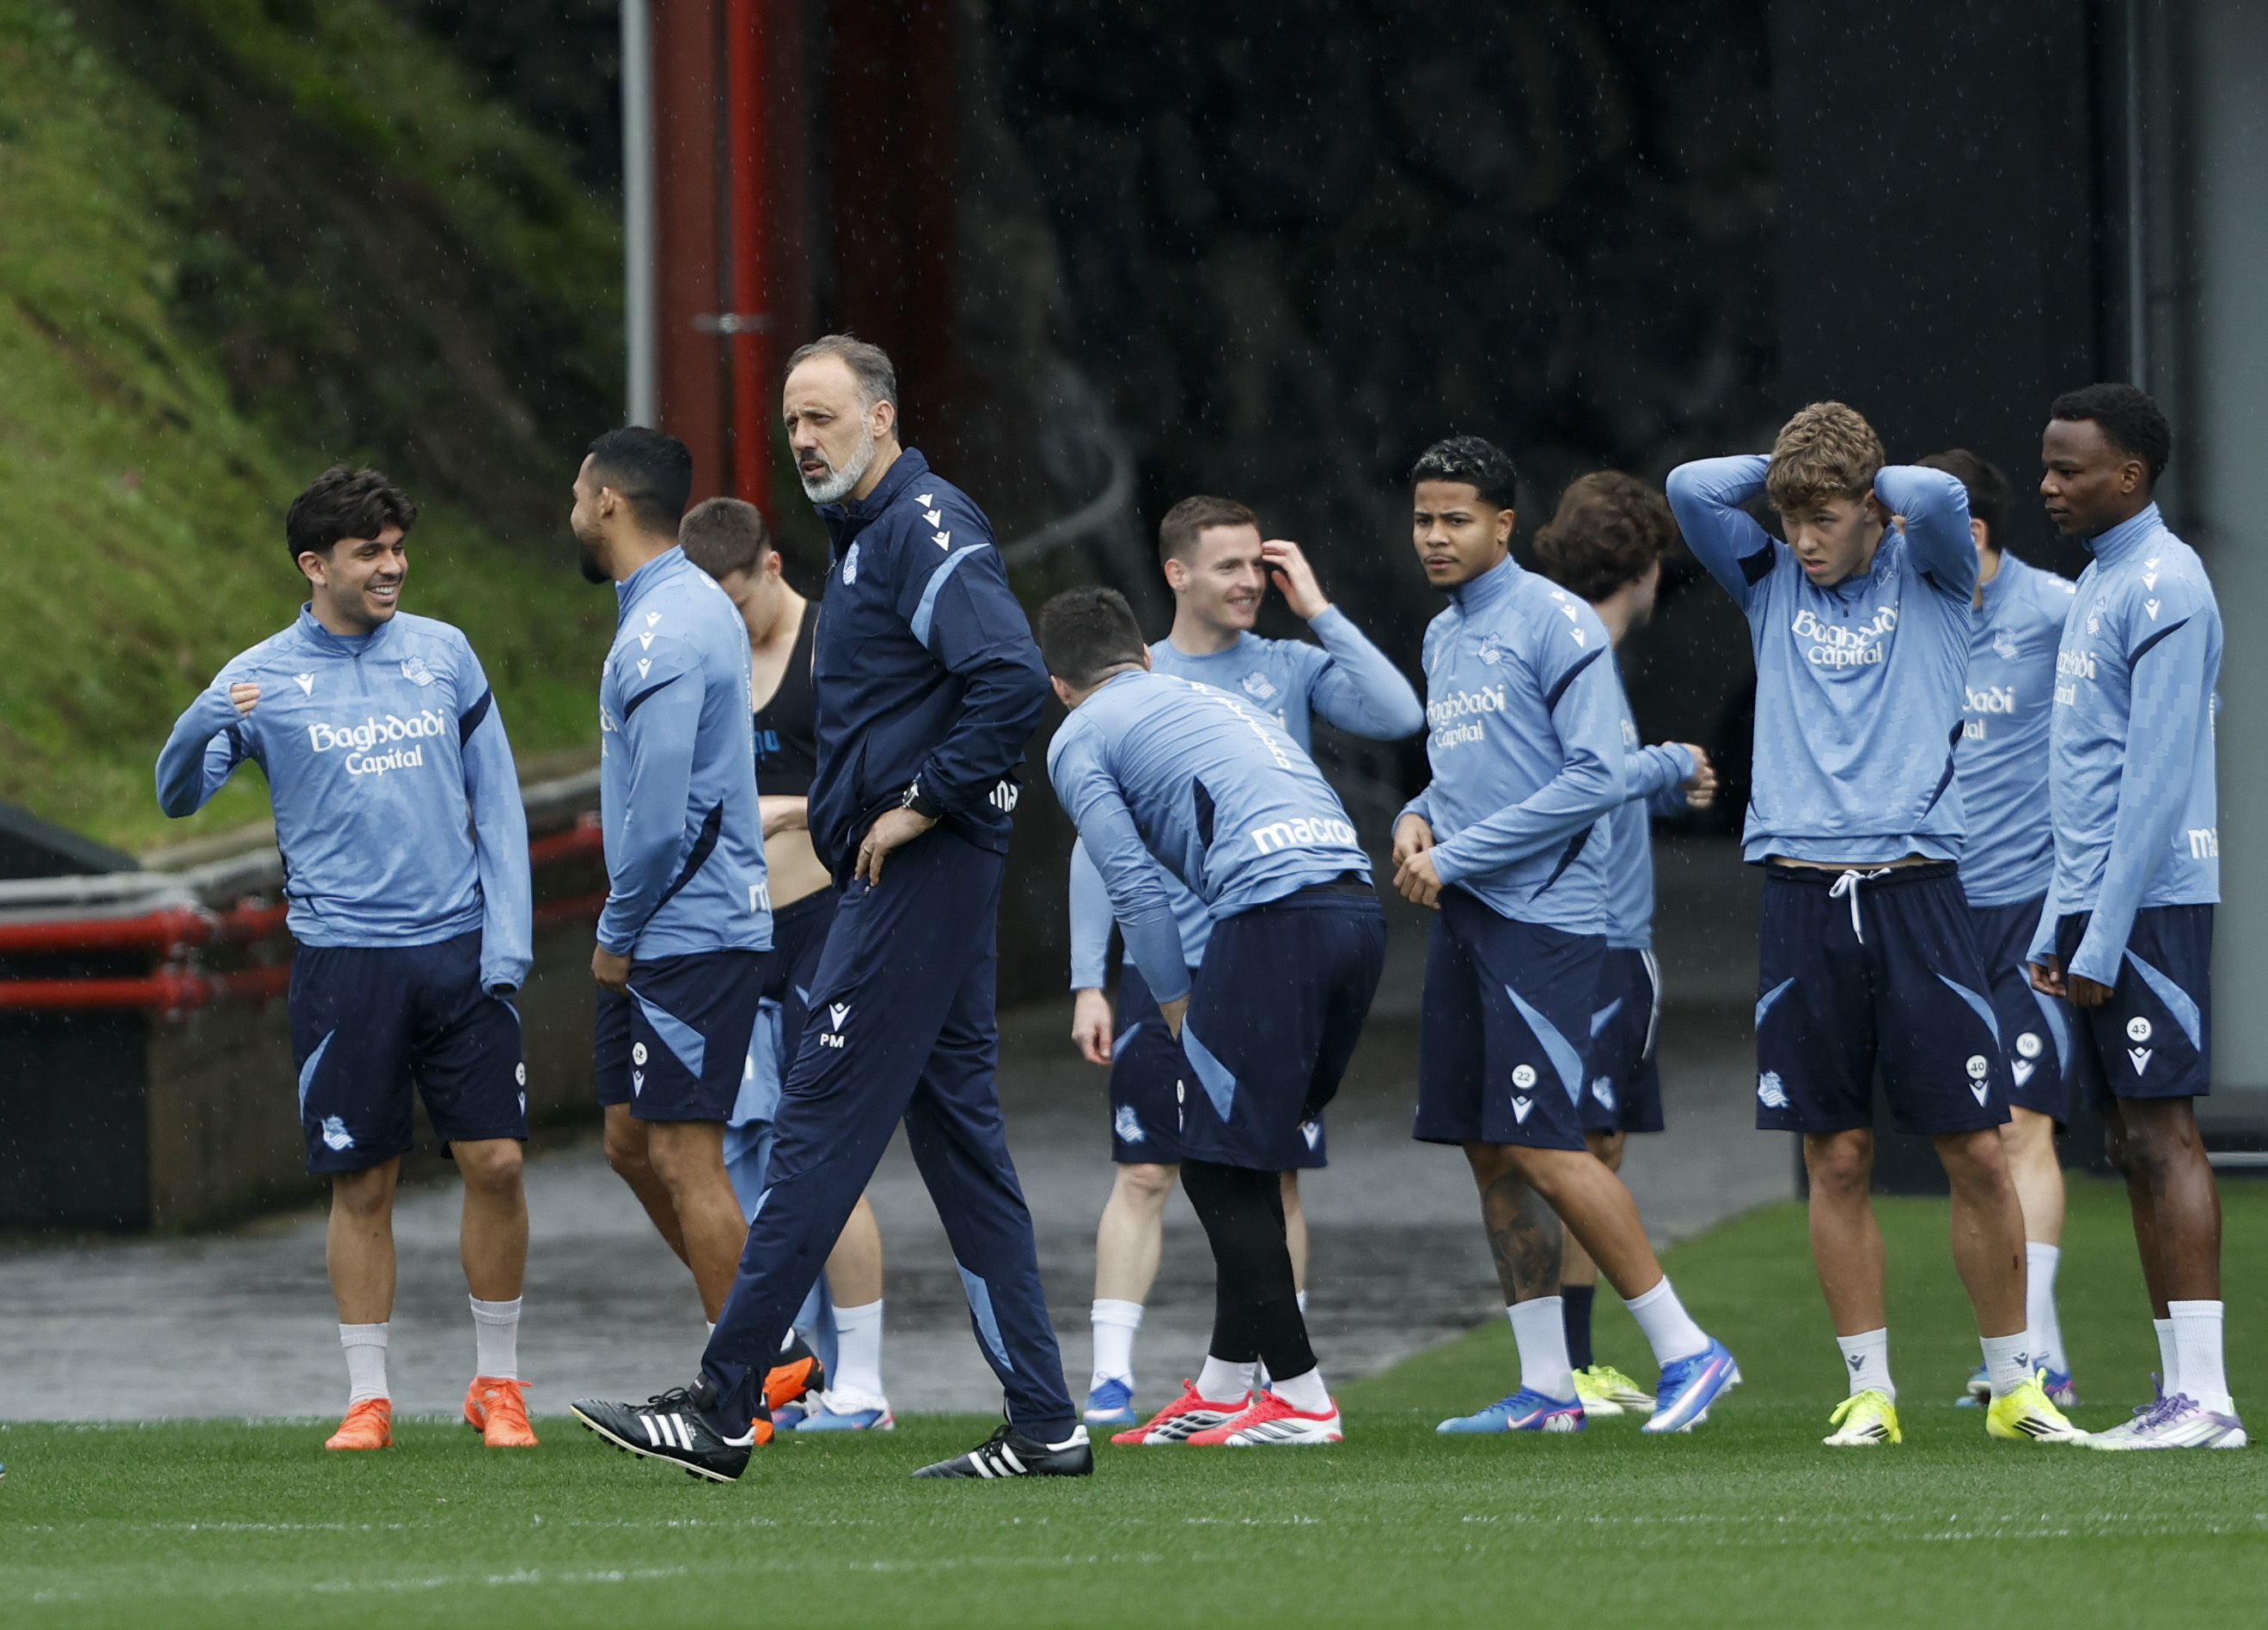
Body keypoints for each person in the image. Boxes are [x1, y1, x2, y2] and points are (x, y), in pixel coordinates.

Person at [573, 335, 1086, 1483]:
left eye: (823, 417)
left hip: (914, 876)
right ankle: (1045, 1422)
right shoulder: (865, 535)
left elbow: (1010, 677)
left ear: (883, 417)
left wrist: (922, 803)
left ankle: (725, 1403)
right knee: (962, 1149)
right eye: (793, 422)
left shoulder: (922, 523)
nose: (802, 440)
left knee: (810, 1122)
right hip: (910, 874)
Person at [1666, 404, 2082, 1447]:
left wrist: (1857, 476)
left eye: (1823, 517)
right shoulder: (1765, 578)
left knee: (1976, 1149)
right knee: (1837, 1154)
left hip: (1916, 890)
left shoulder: (1932, 572)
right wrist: (1796, 471)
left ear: (1870, 510)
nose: (1802, 539)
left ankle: (2015, 1385)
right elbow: (1686, 488)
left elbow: (1938, 495)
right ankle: (1868, 1391)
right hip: (1800, 896)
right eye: (1789, 517)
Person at [156, 466, 537, 1452]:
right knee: (363, 1182)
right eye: (370, 552)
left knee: (497, 1161)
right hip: (344, 966)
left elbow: (497, 803)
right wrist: (205, 717)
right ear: (314, 565)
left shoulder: (445, 655)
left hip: (458, 954)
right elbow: (176, 795)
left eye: (398, 549)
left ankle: (498, 1384)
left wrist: (509, 942)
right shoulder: (261, 676)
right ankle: (369, 1397)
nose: (391, 567)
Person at [1393, 436, 1739, 1438]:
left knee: (1545, 1143)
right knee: (1488, 1149)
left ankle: (1687, 1349)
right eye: (1422, 519)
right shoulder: (1441, 635)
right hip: (1467, 917)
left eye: (1455, 519)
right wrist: (1414, 816)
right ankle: (1547, 1386)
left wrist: (1457, 856)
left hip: (1546, 920)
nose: (1434, 536)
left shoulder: (1554, 621)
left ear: (1502, 525)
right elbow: (1464, 770)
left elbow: (1592, 774)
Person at [1068, 495, 1422, 1428]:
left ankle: (1295, 1393)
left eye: (1255, 565)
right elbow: (1111, 863)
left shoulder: (1111, 718)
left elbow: (1131, 885)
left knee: (1224, 1163)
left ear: (1058, 685)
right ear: (1170, 585)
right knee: (1219, 1159)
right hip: (1331, 913)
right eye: (1226, 565)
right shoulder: (1178, 684)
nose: (1248, 582)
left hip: (1262, 933)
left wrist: (1174, 1004)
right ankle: (1217, 1382)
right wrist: (1089, 977)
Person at [2025, 385, 2243, 1450]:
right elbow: (2083, 779)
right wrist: (2053, 921)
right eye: (2044, 465)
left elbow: (2155, 782)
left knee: (2163, 1134)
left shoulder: (2166, 581)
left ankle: (2206, 1398)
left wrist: (2102, 931)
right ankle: (2175, 1394)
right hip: (2097, 905)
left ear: (2129, 475)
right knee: (2126, 1138)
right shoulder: (2100, 582)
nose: (2047, 485)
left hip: (2148, 907)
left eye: (2067, 469)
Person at [569, 430, 798, 1413]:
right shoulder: (681, 607)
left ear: (608, 501)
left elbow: (664, 818)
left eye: (576, 496)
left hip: (684, 931)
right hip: (677, 926)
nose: (571, 513)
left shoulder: (663, 630)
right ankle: (764, 1338)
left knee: (683, 1155)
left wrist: (618, 932)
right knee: (629, 1143)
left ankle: (737, 1380)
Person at [681, 496, 894, 1431]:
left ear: (770, 567)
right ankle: (783, 1372)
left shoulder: (830, 646)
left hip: (823, 921)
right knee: (733, 1158)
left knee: (823, 1156)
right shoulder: (702, 656)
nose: (725, 627)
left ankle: (866, 1386)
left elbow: (887, 784)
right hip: (735, 934)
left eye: (735, 605)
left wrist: (793, 811)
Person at [1529, 473, 1719, 1419]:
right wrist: (1672, 763)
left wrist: (1657, 788)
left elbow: (1583, 785)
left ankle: (1569, 1360)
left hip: (1567, 927)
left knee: (1578, 1145)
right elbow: (1590, 779)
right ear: (1645, 570)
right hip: (1599, 935)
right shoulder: (1585, 659)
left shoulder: (1552, 647)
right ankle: (1576, 1361)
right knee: (1580, 1146)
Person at [1916, 449, 2084, 1411]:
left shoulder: (2057, 610)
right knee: (1972, 1134)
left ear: (1968, 531)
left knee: (2021, 1124)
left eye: (1907, 531)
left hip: (2028, 907)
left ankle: (2037, 1353)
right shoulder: (1909, 612)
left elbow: (2162, 707)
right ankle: (2021, 1352)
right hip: (1930, 907)